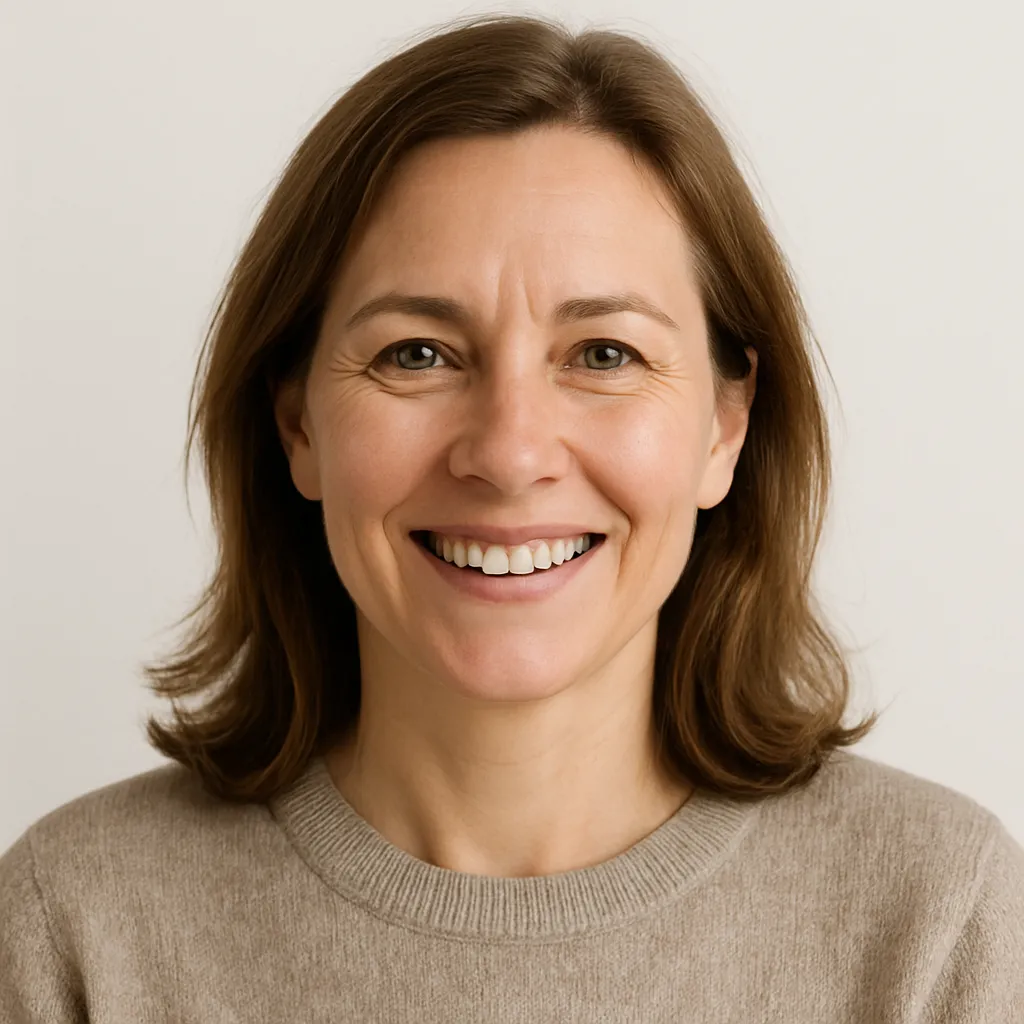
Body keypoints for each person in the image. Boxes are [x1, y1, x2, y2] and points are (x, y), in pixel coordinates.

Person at [2, 12, 1021, 1022]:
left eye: (605, 354)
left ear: (725, 425)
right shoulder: (77, 929)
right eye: (416, 354)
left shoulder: (938, 921)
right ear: (297, 423)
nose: (509, 452)